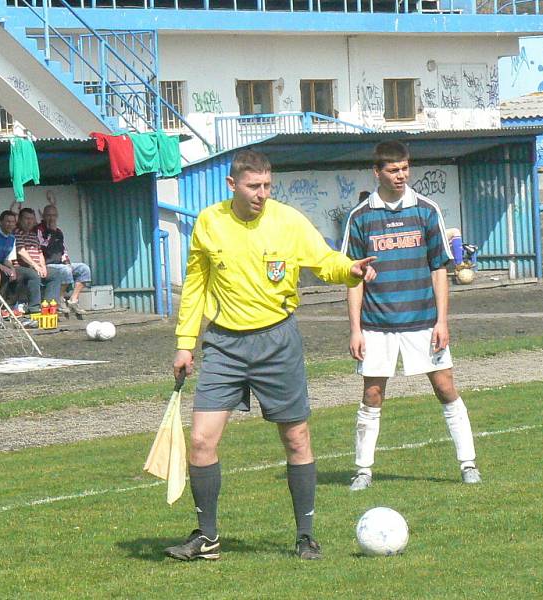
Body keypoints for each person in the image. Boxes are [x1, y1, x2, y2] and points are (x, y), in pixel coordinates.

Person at [166, 149, 377, 562]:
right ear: (232, 185)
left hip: (277, 342)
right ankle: (207, 538)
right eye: (253, 186)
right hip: (224, 345)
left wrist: (349, 268)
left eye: (267, 185)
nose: (262, 193)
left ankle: (305, 536)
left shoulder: (287, 221)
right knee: (201, 441)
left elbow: (323, 259)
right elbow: (195, 286)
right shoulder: (209, 223)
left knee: (296, 438)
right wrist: (185, 342)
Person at [341, 140, 482, 491]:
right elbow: (352, 276)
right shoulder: (361, 217)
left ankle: (468, 464)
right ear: (377, 172)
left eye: (405, 168)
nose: (401, 175)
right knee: (372, 394)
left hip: (422, 321)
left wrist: (442, 320)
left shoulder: (426, 209)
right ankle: (363, 470)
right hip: (376, 325)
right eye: (393, 170)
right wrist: (355, 329)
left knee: (445, 387)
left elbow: (439, 268)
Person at [36, 204, 91, 316]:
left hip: (60, 264)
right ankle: (59, 299)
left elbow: (63, 249)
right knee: (65, 270)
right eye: (48, 215)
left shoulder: (59, 231)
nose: (51, 218)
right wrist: (51, 232)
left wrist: (68, 263)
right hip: (46, 265)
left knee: (83, 269)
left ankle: (73, 300)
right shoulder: (39, 229)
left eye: (54, 215)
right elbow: (42, 246)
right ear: (43, 216)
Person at [13, 207, 65, 315]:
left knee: (55, 274)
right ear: (20, 220)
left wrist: (43, 267)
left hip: (35, 267)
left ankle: (49, 306)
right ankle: (34, 308)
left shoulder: (33, 235)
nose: (29, 222)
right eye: (26, 219)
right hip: (20, 267)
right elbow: (21, 251)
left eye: (32, 219)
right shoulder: (17, 232)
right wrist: (35, 266)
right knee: (33, 274)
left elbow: (39, 252)